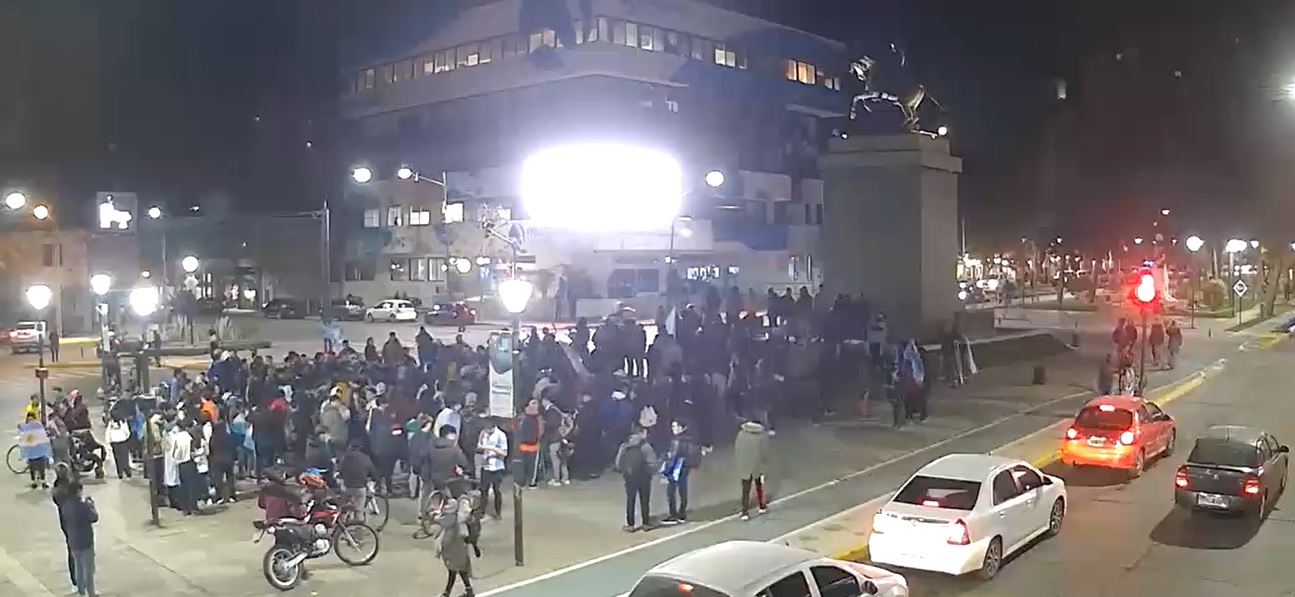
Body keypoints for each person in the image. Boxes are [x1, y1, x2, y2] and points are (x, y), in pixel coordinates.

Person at [614, 425, 657, 532]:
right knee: (644, 500)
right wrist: (650, 473)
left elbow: (618, 462)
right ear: (641, 433)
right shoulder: (646, 446)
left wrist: (624, 471)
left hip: (629, 476)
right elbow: (652, 462)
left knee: (630, 500)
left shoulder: (625, 445)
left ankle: (630, 524)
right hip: (644, 477)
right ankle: (646, 523)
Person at [62, 481, 99, 596]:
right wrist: (92, 506)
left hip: (73, 540)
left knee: (78, 567)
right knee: (89, 569)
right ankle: (91, 592)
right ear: (78, 491)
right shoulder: (83, 506)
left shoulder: (65, 505)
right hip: (86, 541)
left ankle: (81, 590)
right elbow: (94, 518)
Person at [436, 495, 475, 597]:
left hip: (456, 551)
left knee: (454, 571)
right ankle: (468, 589)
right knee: (459, 570)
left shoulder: (455, 523)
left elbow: (465, 536)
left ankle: (447, 593)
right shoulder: (455, 521)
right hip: (454, 551)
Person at [661, 420, 699, 525]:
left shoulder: (677, 441)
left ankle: (673, 515)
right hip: (685, 468)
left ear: (681, 428)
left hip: (676, 469)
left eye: (674, 426)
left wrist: (666, 470)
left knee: (671, 492)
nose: (672, 429)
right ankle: (682, 513)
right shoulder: (690, 439)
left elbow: (673, 457)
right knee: (683, 491)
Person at [734, 418, 769, 521]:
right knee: (759, 486)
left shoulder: (741, 434)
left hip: (744, 465)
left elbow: (737, 450)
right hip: (757, 466)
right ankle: (762, 506)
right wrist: (764, 467)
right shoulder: (761, 436)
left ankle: (745, 511)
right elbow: (764, 453)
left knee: (745, 490)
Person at [475, 418, 508, 519]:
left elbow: (504, 453)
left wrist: (490, 448)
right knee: (483, 490)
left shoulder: (501, 435)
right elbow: (479, 446)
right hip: (485, 466)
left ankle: (498, 512)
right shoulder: (483, 433)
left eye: (488, 430)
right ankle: (482, 511)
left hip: (497, 467)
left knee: (496, 490)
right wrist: (481, 448)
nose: (486, 431)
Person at [338, 441, 379, 519]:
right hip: (360, 487)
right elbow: (372, 470)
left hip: (347, 487)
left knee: (344, 508)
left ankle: (341, 527)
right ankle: (358, 528)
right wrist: (376, 480)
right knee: (358, 510)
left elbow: (341, 471)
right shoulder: (365, 458)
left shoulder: (346, 458)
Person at [17, 413, 52, 489]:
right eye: (29, 420)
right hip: (32, 452)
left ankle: (43, 482)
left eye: (32, 419)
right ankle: (34, 482)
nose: (31, 421)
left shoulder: (38, 426)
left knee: (41, 467)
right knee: (32, 468)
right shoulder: (27, 429)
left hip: (38, 452)